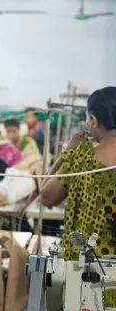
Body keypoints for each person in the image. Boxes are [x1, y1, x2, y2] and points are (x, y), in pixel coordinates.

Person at [41, 86, 116, 260]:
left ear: (94, 120)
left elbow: (46, 197)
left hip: (87, 266)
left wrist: (66, 153)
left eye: (88, 118)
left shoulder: (83, 157)